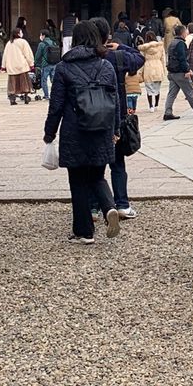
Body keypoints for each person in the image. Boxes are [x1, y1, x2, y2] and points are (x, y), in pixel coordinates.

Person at [43, 20, 121, 244]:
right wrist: (115, 129)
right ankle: (109, 208)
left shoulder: (64, 67)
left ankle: (84, 232)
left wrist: (49, 133)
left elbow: (56, 105)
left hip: (74, 132)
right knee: (97, 176)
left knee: (77, 181)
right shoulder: (106, 66)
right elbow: (115, 101)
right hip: (102, 130)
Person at [93, 17, 144, 220]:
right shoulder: (117, 57)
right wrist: (121, 46)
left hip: (91, 117)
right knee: (117, 163)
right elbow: (140, 57)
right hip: (117, 114)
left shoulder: (86, 58)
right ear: (107, 36)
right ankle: (122, 203)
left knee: (94, 166)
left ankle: (94, 206)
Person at [162, 24, 193, 121]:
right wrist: (187, 69)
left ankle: (167, 112)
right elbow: (182, 59)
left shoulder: (172, 43)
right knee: (189, 91)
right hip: (180, 72)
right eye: (185, 31)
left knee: (171, 94)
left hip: (172, 72)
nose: (187, 32)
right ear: (182, 32)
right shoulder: (181, 44)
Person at [3, 27, 36, 105]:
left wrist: (3, 66)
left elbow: (5, 55)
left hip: (11, 67)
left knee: (12, 84)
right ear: (18, 34)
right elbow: (28, 54)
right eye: (21, 32)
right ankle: (26, 96)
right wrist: (31, 64)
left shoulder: (9, 43)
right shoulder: (23, 42)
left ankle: (12, 98)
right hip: (22, 65)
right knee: (24, 82)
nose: (22, 33)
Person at [139, 31, 165, 112]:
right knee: (157, 88)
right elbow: (163, 59)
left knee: (149, 89)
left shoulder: (144, 48)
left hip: (148, 67)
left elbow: (141, 60)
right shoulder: (160, 46)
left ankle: (151, 106)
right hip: (158, 66)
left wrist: (140, 72)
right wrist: (164, 69)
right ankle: (156, 104)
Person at [35, 29, 61, 101]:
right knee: (54, 80)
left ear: (43, 35)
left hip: (46, 64)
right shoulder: (54, 43)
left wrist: (36, 63)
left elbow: (38, 55)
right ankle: (56, 95)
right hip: (54, 64)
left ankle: (46, 96)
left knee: (44, 80)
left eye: (40, 35)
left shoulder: (42, 44)